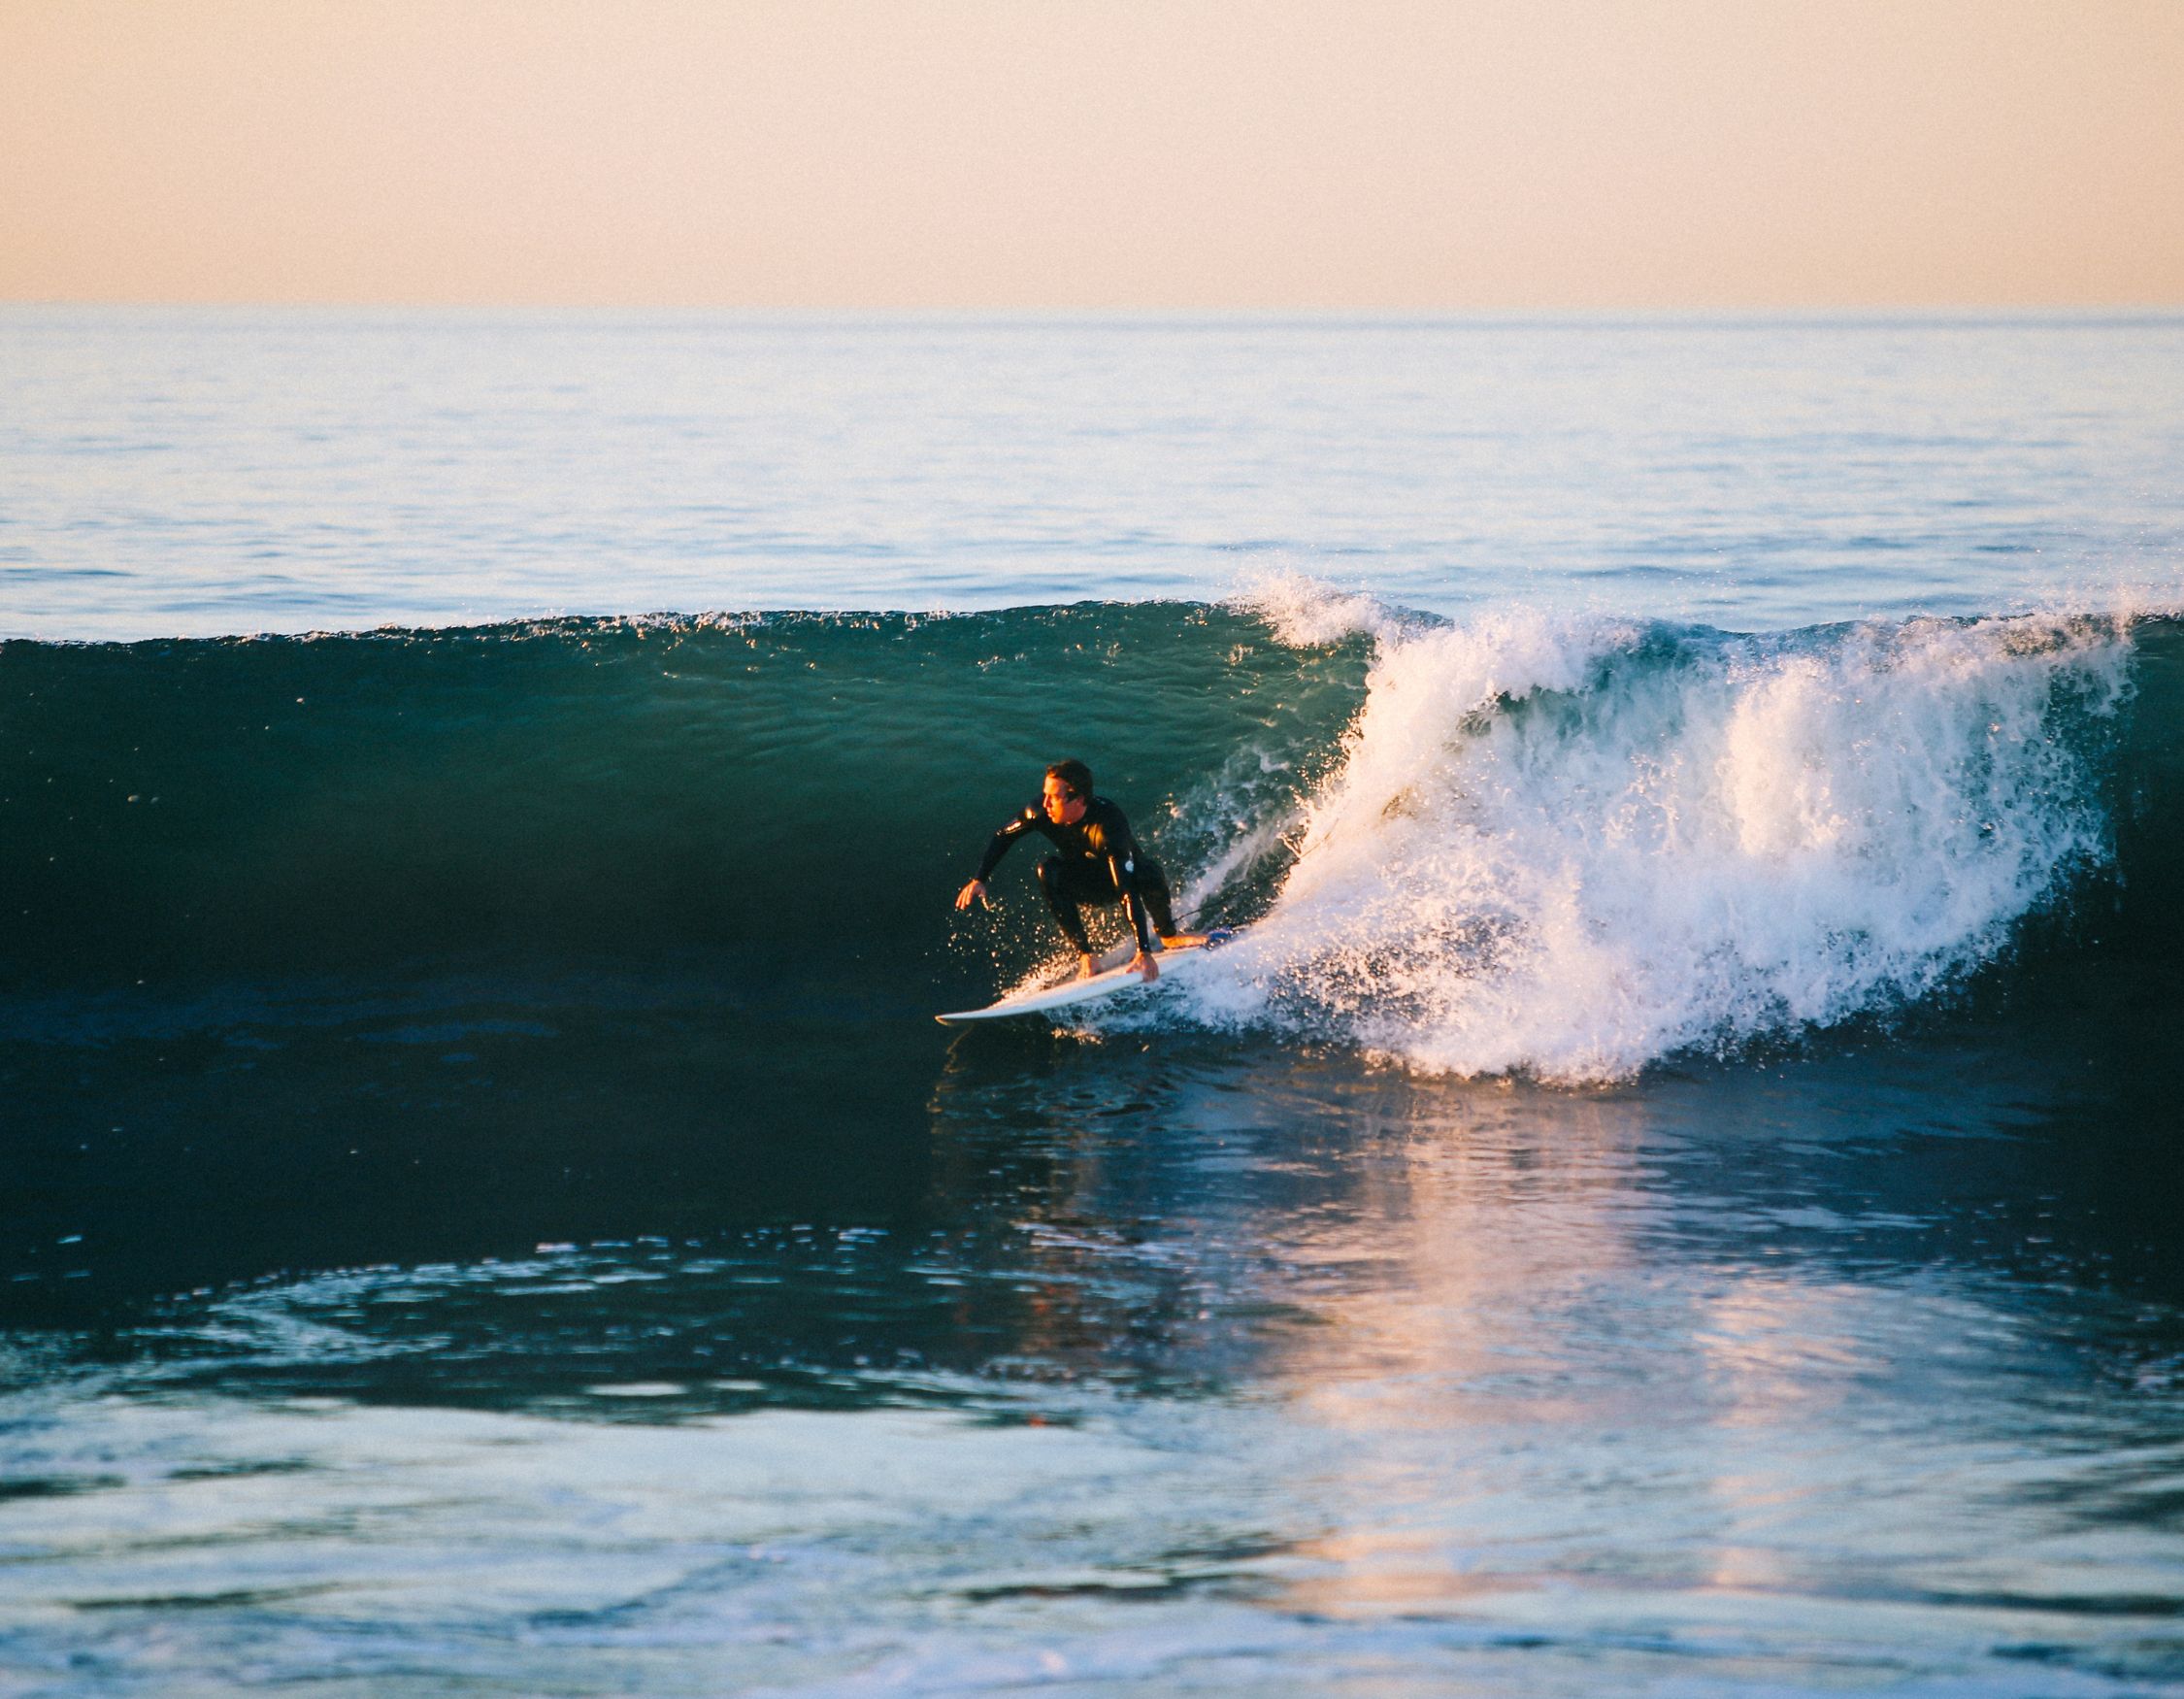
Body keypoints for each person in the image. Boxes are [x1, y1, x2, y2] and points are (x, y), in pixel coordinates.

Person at [955, 760, 1190, 981]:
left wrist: (1144, 951)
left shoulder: (1108, 825)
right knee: (1048, 870)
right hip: (1087, 884)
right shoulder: (1040, 811)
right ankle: (1087, 955)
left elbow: (1126, 890)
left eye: (1053, 798)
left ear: (1078, 800)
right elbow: (1002, 836)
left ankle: (1168, 935)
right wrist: (980, 878)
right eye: (1045, 794)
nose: (1045, 803)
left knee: (1148, 871)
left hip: (1123, 880)